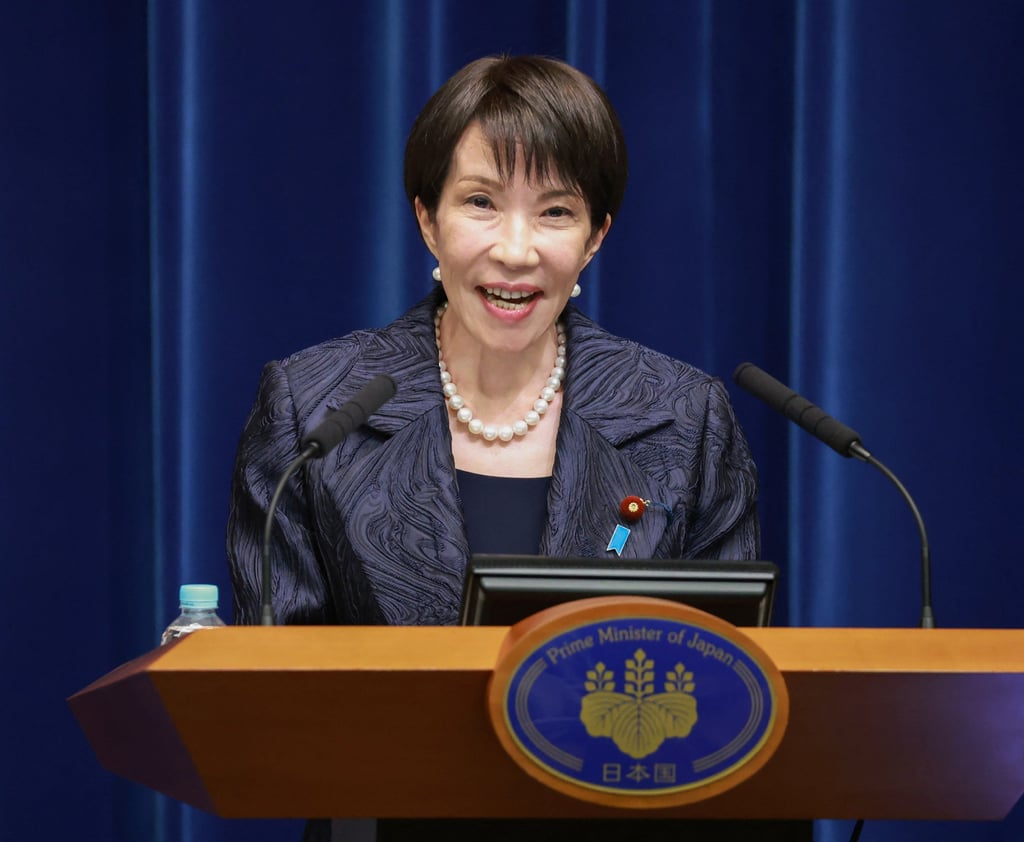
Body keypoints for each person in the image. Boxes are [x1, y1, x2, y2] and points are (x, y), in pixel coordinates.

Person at [228, 55, 797, 842]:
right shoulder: (312, 409)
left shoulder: (683, 418)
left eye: (556, 212)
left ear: (596, 237)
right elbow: (274, 694)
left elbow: (733, 678)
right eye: (481, 203)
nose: (517, 250)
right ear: (427, 219)